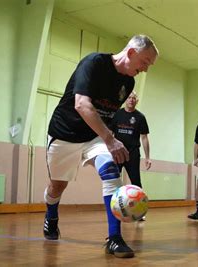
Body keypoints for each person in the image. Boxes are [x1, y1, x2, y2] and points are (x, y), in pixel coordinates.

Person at [43, 34, 158, 258]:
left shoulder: (129, 82)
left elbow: (107, 115)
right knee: (57, 187)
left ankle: (114, 238)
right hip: (64, 135)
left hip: (94, 137)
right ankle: (51, 215)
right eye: (145, 62)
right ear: (132, 52)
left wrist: (107, 138)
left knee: (111, 172)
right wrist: (111, 139)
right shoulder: (94, 63)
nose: (145, 69)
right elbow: (82, 104)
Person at [111, 91, 151, 221]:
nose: (131, 100)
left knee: (136, 182)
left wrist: (147, 157)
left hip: (133, 153)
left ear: (136, 101)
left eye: (134, 98)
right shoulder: (117, 114)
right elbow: (110, 133)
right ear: (125, 99)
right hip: (117, 152)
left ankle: (140, 211)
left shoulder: (140, 117)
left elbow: (144, 138)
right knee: (113, 181)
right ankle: (114, 209)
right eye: (129, 97)